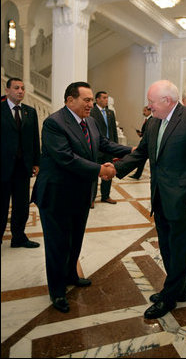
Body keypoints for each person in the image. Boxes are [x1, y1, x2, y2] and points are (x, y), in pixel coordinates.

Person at [115, 80, 186, 319]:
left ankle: (168, 298)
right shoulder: (152, 123)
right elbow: (140, 153)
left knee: (180, 249)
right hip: (160, 196)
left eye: (151, 102)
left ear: (167, 101)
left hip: (185, 199)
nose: (148, 106)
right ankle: (178, 291)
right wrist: (113, 169)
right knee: (168, 247)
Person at [31, 81, 132, 313]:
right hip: (57, 194)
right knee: (57, 244)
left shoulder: (91, 122)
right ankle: (57, 292)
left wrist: (133, 151)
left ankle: (70, 276)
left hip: (81, 193)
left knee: (75, 238)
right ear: (70, 100)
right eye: (86, 100)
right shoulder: (54, 123)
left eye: (90, 100)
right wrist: (100, 170)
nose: (91, 104)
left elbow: (104, 144)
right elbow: (66, 158)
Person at [1, 78, 40, 248]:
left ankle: (18, 238)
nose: (20, 91)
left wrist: (36, 162)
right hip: (2, 168)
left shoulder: (30, 112)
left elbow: (34, 140)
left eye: (23, 88)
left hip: (23, 168)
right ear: (7, 90)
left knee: (21, 206)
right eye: (16, 88)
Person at [90, 91, 118, 205]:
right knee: (94, 174)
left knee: (109, 172)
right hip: (96, 148)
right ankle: (91, 199)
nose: (106, 100)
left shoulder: (110, 113)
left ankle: (105, 196)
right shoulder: (91, 112)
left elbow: (113, 131)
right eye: (104, 98)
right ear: (97, 99)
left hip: (108, 149)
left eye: (107, 98)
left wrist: (115, 147)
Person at [130, 106, 152, 180]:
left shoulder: (151, 120)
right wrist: (140, 134)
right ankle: (137, 174)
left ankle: (138, 174)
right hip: (145, 143)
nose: (143, 112)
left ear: (149, 111)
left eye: (145, 111)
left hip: (148, 144)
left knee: (147, 160)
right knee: (142, 160)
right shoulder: (147, 120)